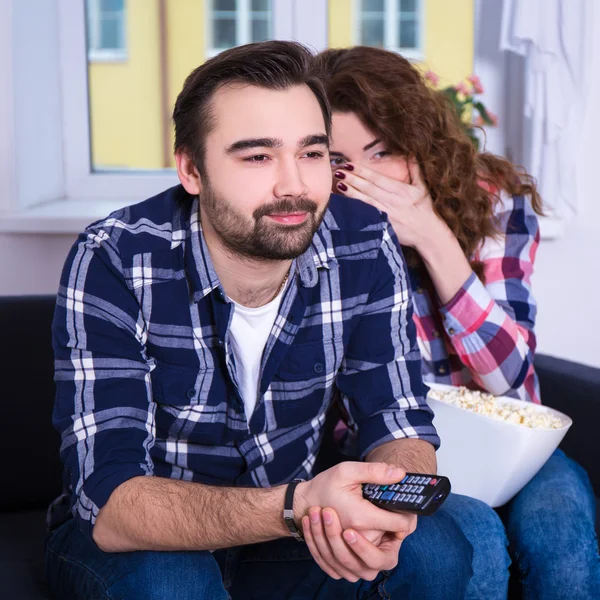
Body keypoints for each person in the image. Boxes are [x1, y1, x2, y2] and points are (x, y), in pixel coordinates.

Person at [45, 41, 473, 600]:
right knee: (171, 581)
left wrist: (388, 506)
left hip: (286, 528)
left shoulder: (365, 239)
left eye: (312, 153)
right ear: (192, 170)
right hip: (148, 537)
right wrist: (298, 506)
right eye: (257, 157)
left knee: (435, 552)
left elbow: (396, 418)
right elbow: (110, 501)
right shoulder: (113, 257)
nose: (292, 185)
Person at [313, 45, 600, 599]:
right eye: (340, 163)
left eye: (382, 152)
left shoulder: (494, 202)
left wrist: (433, 238)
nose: (366, 180)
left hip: (518, 442)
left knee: (560, 545)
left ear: (417, 144)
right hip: (398, 456)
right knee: (475, 544)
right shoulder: (316, 228)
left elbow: (510, 377)